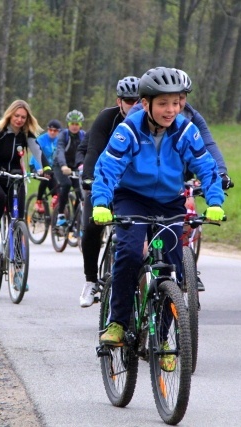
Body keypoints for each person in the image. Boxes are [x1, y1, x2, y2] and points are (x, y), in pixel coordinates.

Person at [93, 67, 225, 355]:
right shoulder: (128, 129)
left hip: (168, 201)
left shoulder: (185, 131)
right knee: (128, 253)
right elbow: (108, 167)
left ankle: (163, 339)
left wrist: (215, 202)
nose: (171, 110)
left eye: (176, 103)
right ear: (145, 103)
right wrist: (101, 203)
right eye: (163, 103)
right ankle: (117, 322)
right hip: (132, 198)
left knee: (171, 268)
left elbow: (206, 166)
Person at [77, 75, 139, 307]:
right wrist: (89, 178)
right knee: (92, 225)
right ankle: (90, 280)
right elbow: (93, 150)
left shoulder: (148, 120)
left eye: (137, 100)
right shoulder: (107, 118)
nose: (133, 105)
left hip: (132, 186)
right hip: (103, 180)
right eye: (128, 101)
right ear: (119, 101)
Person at [127, 69, 232, 190]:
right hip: (141, 179)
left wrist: (220, 172)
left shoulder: (192, 116)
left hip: (179, 179)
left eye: (180, 98)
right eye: (164, 101)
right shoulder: (139, 113)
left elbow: (208, 144)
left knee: (188, 205)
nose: (172, 107)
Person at [0, 99, 51, 262]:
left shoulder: (26, 134)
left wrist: (46, 167)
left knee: (18, 220)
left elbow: (37, 152)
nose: (19, 120)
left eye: (23, 117)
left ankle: (17, 270)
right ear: (10, 115)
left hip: (15, 179)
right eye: (16, 116)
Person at [54, 110, 86, 227]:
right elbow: (60, 150)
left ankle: (77, 218)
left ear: (80, 125)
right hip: (61, 166)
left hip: (75, 167)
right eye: (72, 123)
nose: (74, 126)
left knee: (82, 192)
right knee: (66, 184)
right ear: (68, 124)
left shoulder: (83, 136)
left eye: (77, 124)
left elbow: (87, 152)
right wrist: (63, 165)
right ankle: (60, 215)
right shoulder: (63, 135)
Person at [30, 119, 61, 213]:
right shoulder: (41, 139)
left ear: (58, 132)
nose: (52, 132)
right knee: (46, 177)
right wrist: (39, 168)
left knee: (57, 186)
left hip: (51, 168)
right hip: (36, 165)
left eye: (55, 131)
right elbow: (37, 155)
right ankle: (38, 201)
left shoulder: (59, 141)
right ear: (47, 130)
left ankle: (55, 206)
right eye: (50, 130)